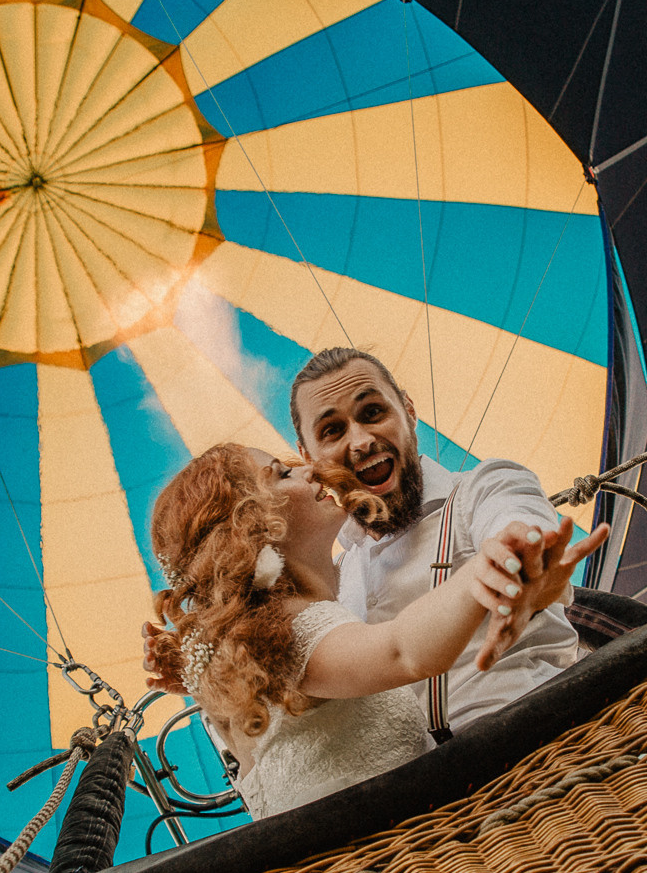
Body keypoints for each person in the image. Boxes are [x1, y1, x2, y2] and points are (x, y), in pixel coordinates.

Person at [143, 443, 605, 819]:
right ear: (250, 529)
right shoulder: (290, 634)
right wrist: (479, 573)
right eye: (282, 474)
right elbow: (402, 651)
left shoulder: (265, 644)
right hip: (389, 870)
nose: (309, 471)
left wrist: (203, 674)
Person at [291, 347, 586, 738]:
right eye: (332, 431)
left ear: (409, 411)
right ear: (307, 458)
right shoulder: (335, 581)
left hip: (542, 744)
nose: (360, 441)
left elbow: (514, 519)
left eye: (373, 412)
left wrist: (529, 562)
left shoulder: (484, 488)